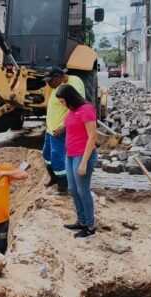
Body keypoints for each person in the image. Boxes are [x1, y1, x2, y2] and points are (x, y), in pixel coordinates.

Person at [55, 84, 98, 239]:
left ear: (69, 98)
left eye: (62, 101)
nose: (62, 104)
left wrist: (84, 162)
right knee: (73, 189)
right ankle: (81, 221)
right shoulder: (73, 110)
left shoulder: (87, 110)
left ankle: (90, 227)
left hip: (82, 155)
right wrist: (62, 128)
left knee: (83, 191)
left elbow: (92, 137)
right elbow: (73, 125)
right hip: (71, 154)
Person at [43, 66, 85, 195]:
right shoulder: (57, 86)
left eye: (50, 80)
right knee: (47, 156)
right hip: (50, 130)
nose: (48, 83)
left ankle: (63, 186)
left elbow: (77, 108)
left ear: (59, 77)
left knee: (58, 158)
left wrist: (64, 126)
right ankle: (54, 178)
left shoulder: (73, 84)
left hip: (59, 131)